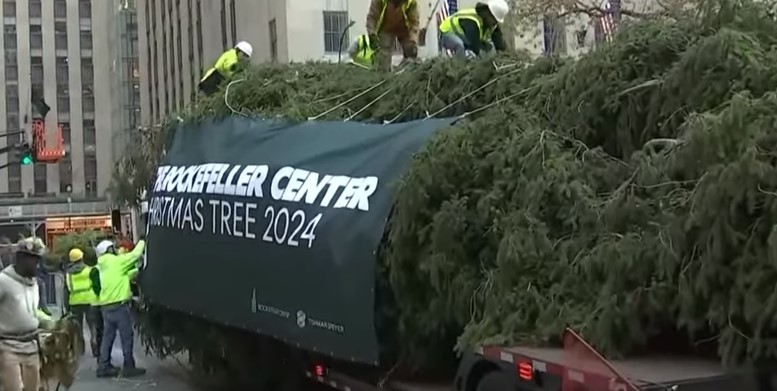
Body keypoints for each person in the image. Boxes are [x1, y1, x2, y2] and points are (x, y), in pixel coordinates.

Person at [0, 237, 56, 391]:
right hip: (7, 347)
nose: (38, 265)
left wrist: (51, 323)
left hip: (32, 346)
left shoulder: (34, 283)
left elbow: (32, 311)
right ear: (21, 258)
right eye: (34, 260)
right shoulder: (3, 281)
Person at [94, 238, 146, 378]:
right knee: (126, 336)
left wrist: (135, 271)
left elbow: (119, 277)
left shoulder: (100, 266)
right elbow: (135, 255)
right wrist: (142, 240)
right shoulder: (116, 261)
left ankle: (103, 366)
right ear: (109, 250)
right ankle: (129, 366)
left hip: (105, 306)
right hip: (119, 306)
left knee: (108, 337)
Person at [64, 247, 103, 359]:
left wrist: (66, 307)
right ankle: (94, 342)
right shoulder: (89, 270)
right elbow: (96, 286)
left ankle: (80, 349)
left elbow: (66, 291)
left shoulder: (68, 274)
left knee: (78, 327)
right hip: (90, 301)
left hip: (75, 302)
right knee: (93, 325)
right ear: (82, 258)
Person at [439, 0, 509, 59]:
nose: (495, 23)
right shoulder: (472, 21)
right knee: (459, 45)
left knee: (489, 47)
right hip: (447, 33)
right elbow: (474, 45)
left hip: (464, 37)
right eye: (494, 20)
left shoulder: (492, 24)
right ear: (488, 14)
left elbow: (500, 44)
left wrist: (505, 56)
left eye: (496, 21)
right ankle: (459, 68)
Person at [365, 0, 420, 71]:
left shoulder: (410, 2)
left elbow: (414, 22)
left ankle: (409, 74)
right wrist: (372, 34)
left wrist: (413, 40)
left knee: (411, 51)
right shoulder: (379, 1)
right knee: (383, 57)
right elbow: (372, 18)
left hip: (404, 29)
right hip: (386, 28)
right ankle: (384, 75)